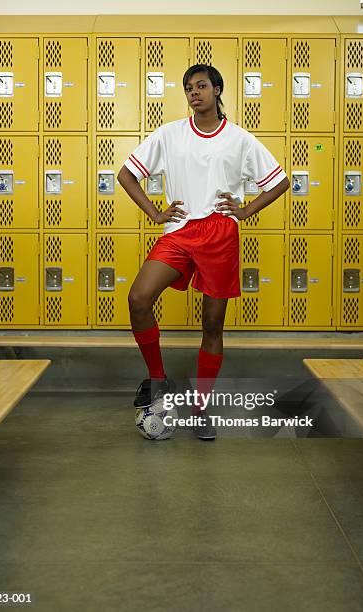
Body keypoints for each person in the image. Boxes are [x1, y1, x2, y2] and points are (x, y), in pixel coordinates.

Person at [117, 64, 290, 440]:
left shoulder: (240, 139)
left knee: (212, 324)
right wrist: (154, 212)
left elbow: (280, 181)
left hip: (219, 232)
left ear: (217, 90)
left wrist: (244, 211)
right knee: (139, 298)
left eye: (200, 86)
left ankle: (200, 406)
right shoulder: (169, 135)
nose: (194, 93)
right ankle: (158, 381)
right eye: (188, 88)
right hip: (179, 231)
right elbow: (126, 175)